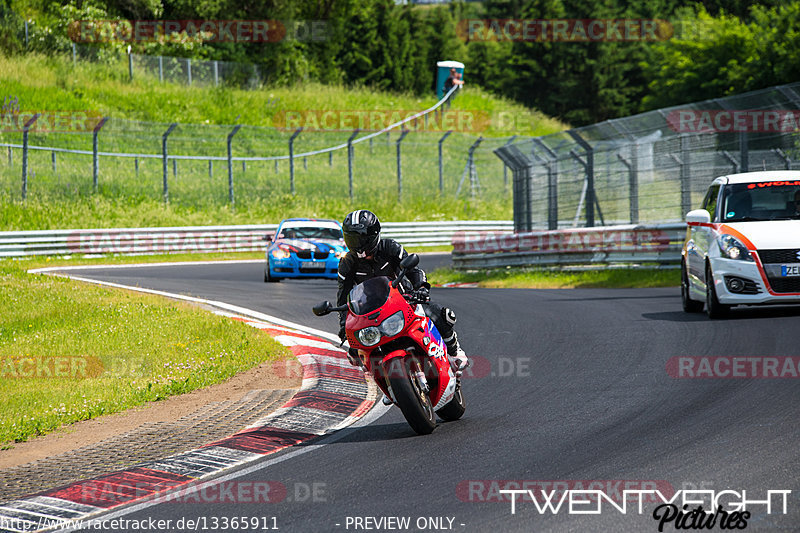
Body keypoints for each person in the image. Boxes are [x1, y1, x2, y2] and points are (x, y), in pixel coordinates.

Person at [336, 209, 470, 375]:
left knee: (440, 314)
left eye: (360, 238)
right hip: (371, 311)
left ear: (373, 235)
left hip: (404, 299)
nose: (356, 243)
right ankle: (386, 380)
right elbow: (344, 296)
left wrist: (420, 288)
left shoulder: (390, 247)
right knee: (356, 351)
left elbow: (413, 269)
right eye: (351, 238)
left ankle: (454, 351)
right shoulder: (348, 263)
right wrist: (343, 325)